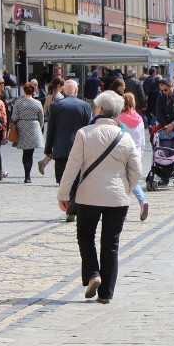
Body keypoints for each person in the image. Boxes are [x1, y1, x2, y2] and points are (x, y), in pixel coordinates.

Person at [57, 91, 141, 304]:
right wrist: (126, 188)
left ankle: (93, 273)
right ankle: (106, 294)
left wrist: (64, 193)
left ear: (100, 110)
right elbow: (137, 170)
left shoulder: (85, 133)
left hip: (88, 196)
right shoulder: (126, 137)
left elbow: (72, 166)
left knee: (85, 236)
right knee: (111, 243)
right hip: (117, 198)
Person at [43, 79, 93, 219]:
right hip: (79, 147)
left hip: (61, 148)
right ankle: (73, 205)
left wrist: (48, 149)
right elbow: (88, 129)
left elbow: (51, 130)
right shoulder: (85, 106)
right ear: (76, 91)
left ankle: (68, 205)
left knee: (62, 178)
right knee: (77, 178)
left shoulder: (56, 106)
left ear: (64, 91)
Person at [117, 92, 149, 221]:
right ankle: (142, 202)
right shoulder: (139, 118)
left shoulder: (119, 118)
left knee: (122, 181)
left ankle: (124, 210)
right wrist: (140, 154)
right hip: (137, 152)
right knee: (133, 179)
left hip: (123, 151)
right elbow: (142, 140)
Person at [9, 82, 45, 183]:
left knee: (25, 152)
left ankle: (26, 175)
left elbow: (14, 117)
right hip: (34, 127)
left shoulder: (18, 102)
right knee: (30, 152)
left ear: (24, 90)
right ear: (33, 91)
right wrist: (39, 128)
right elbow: (41, 118)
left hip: (22, 127)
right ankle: (28, 176)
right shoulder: (37, 103)